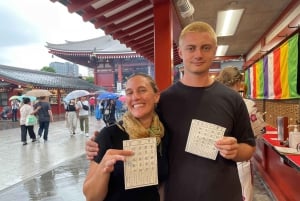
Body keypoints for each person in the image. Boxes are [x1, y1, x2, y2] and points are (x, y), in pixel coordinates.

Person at [86, 21, 256, 201]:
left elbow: (249, 147)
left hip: (223, 195)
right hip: (176, 195)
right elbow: (134, 125)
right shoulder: (163, 101)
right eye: (191, 48)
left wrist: (236, 150)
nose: (198, 54)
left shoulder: (233, 99)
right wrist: (98, 143)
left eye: (205, 48)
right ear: (181, 52)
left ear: (214, 51)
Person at [82, 73, 168, 201]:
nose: (136, 97)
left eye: (142, 90)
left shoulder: (163, 135)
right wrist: (103, 168)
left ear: (156, 96)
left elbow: (162, 184)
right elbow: (91, 197)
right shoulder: (109, 134)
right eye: (129, 93)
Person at [216, 66, 267, 201]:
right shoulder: (247, 104)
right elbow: (258, 131)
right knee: (243, 193)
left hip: (216, 158)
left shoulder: (213, 103)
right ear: (239, 83)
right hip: (241, 156)